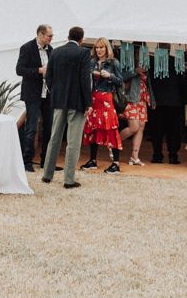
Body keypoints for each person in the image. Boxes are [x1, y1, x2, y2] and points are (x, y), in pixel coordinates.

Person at [42, 26, 93, 189]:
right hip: (77, 102)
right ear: (81, 39)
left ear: (68, 36)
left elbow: (48, 76)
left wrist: (55, 91)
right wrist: (88, 103)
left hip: (58, 101)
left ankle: (47, 174)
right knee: (73, 142)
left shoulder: (55, 52)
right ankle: (69, 179)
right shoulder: (84, 53)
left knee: (54, 138)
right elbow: (85, 80)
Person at [80, 37, 124, 174]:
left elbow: (120, 81)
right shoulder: (92, 62)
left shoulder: (113, 63)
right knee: (93, 129)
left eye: (101, 47)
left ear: (107, 48)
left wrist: (109, 76)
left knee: (110, 129)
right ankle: (92, 160)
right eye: (97, 48)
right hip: (93, 99)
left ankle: (116, 163)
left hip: (106, 99)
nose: (99, 50)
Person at [16, 24, 54, 172]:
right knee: (31, 128)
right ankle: (27, 162)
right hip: (32, 94)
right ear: (40, 34)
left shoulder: (51, 51)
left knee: (49, 128)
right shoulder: (27, 48)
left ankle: (46, 161)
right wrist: (39, 70)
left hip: (48, 93)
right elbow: (19, 70)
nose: (51, 38)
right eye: (49, 36)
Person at [120, 51, 155, 166]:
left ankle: (134, 157)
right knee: (134, 127)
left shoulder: (146, 66)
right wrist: (135, 71)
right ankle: (114, 143)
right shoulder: (127, 64)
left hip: (142, 100)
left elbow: (148, 85)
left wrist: (152, 100)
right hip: (132, 99)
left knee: (140, 128)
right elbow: (120, 77)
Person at [149, 50, 184, 164]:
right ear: (169, 49)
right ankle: (173, 155)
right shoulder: (176, 61)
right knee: (173, 130)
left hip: (157, 101)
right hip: (174, 101)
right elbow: (182, 81)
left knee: (156, 130)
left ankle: (157, 155)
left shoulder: (152, 62)